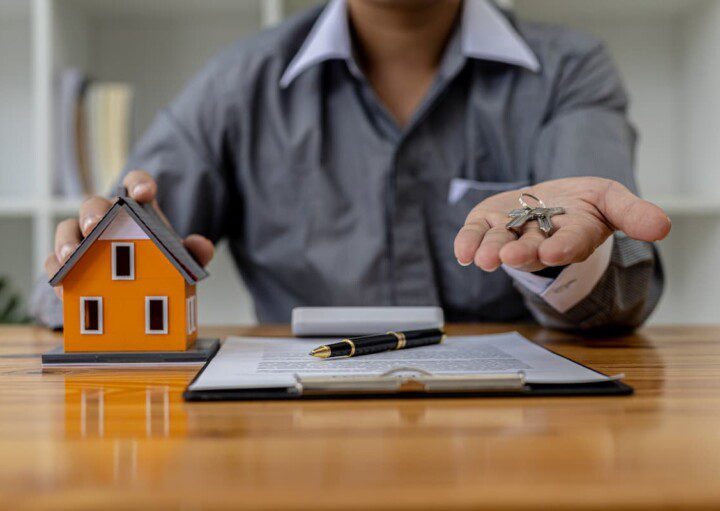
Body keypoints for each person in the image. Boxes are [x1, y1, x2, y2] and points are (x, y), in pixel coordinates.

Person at [39, 0, 671, 330]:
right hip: (299, 438)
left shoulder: (570, 69)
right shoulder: (238, 85)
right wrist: (92, 260)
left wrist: (567, 256)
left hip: (524, 440)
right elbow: (66, 303)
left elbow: (621, 297)